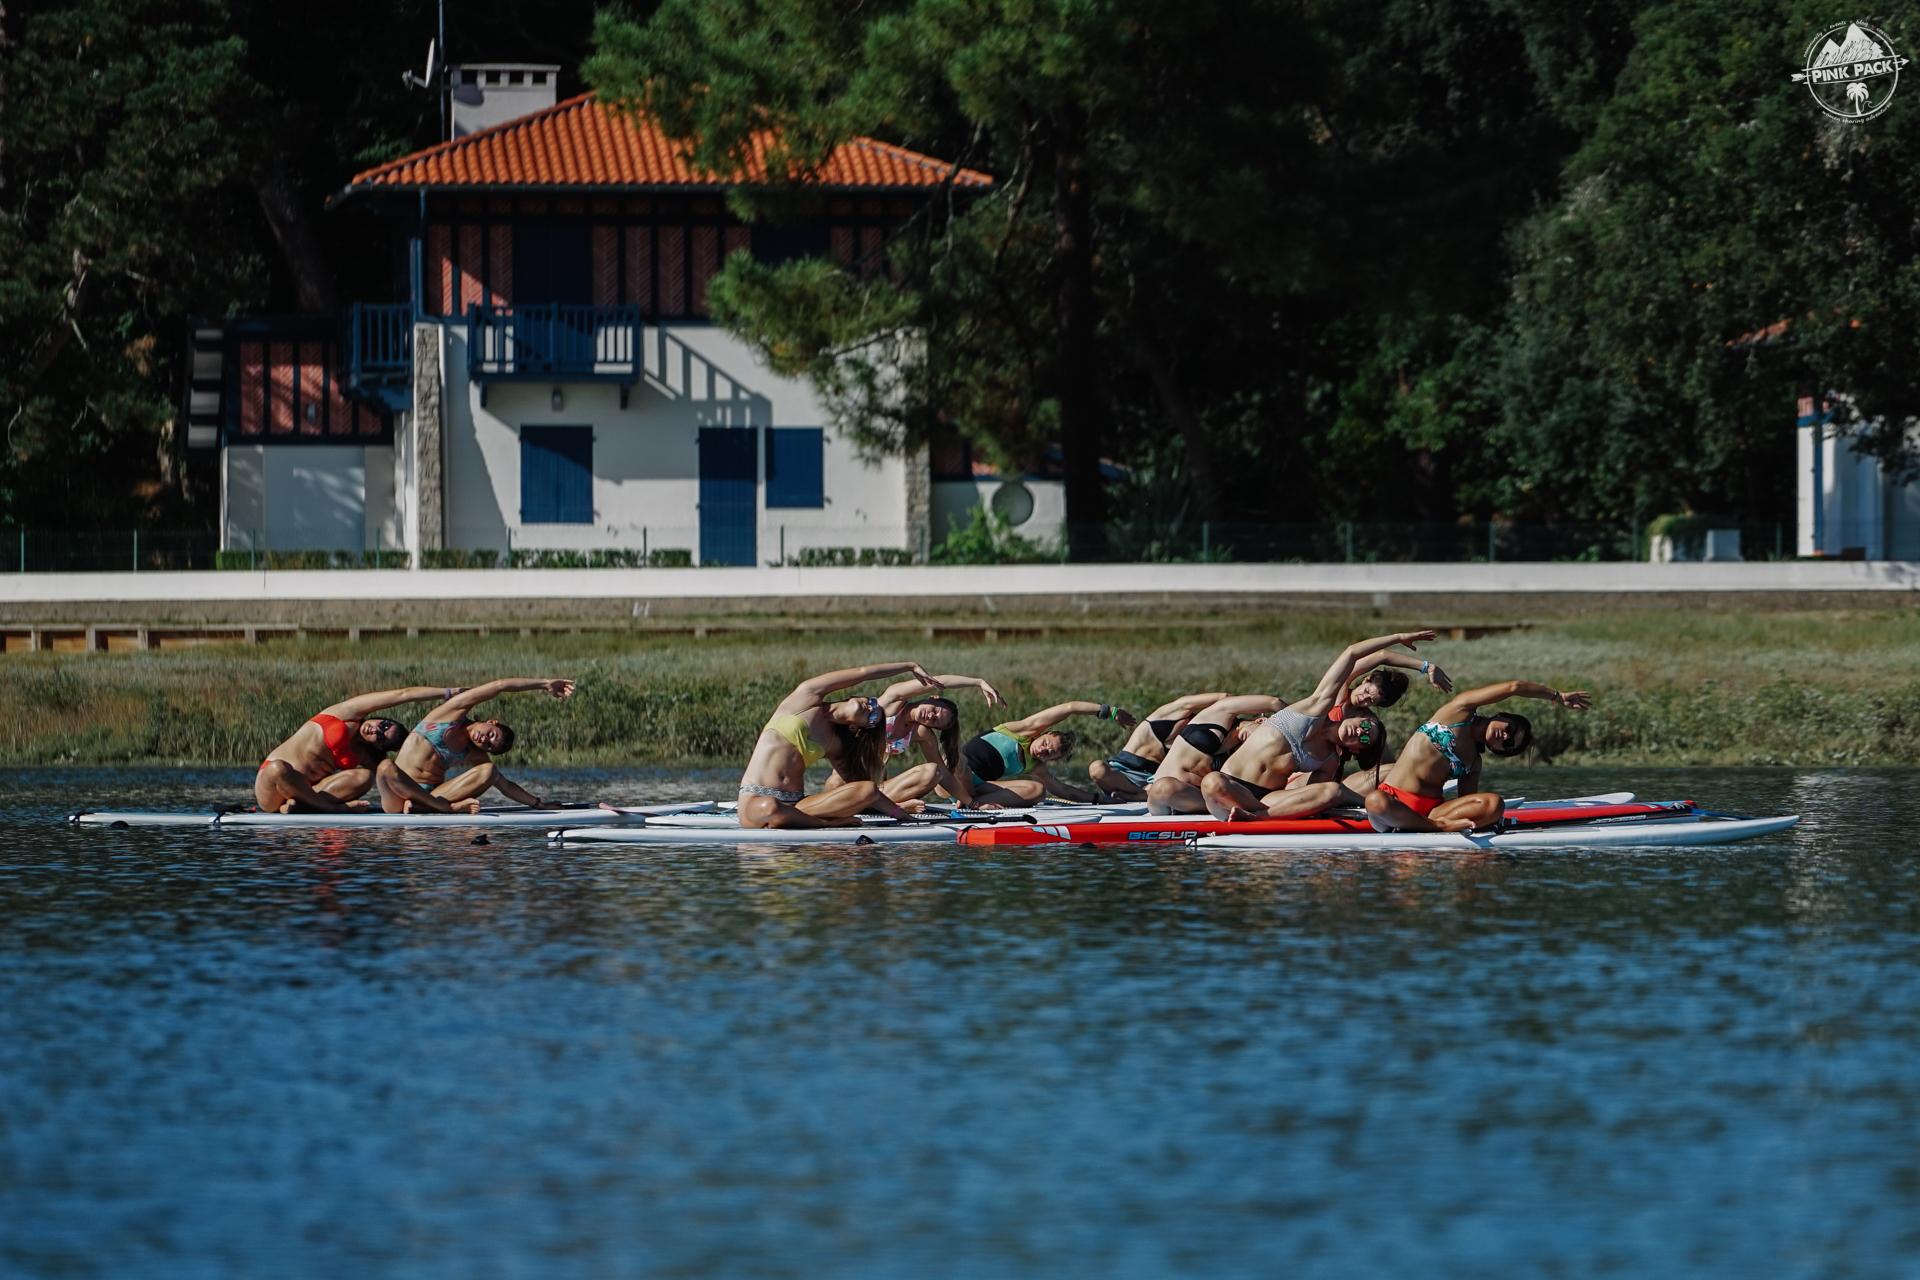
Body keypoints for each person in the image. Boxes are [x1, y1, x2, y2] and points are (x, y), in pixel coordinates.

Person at [1202, 631, 1439, 822]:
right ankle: (1261, 817)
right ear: (1358, 717)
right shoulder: (1320, 705)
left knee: (1333, 791)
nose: (1361, 732)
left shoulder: (1330, 762)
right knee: (1213, 781)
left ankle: (1258, 818)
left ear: (1356, 750)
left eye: (1365, 739)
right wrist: (1402, 641)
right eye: (1365, 725)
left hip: (1269, 799)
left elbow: (1312, 799)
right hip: (1230, 785)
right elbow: (1352, 652)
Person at [1364, 680, 1592, 833]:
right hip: (1392, 804)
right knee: (1374, 800)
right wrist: (1556, 695)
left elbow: (1466, 803)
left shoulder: (1473, 762)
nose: (1505, 736)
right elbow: (1514, 686)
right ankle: (1437, 828)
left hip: (1433, 811)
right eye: (1510, 729)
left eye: (1509, 744)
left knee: (1494, 804)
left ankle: (1430, 825)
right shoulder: (1458, 711)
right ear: (1501, 715)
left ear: (1500, 751)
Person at [738, 661, 941, 828]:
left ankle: (806, 820)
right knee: (769, 808)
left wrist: (899, 812)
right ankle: (825, 823)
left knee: (867, 789)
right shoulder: (805, 698)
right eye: (871, 702)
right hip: (756, 798)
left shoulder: (836, 744)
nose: (870, 707)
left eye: (872, 716)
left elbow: (865, 791)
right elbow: (862, 672)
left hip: (799, 804)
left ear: (855, 728)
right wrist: (909, 666)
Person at [376, 678, 576, 814]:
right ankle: (445, 808)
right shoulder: (451, 713)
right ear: (492, 722)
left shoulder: (474, 752)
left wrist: (539, 804)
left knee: (488, 770)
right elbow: (500, 685)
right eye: (491, 734)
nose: (484, 740)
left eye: (488, 745)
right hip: (397, 796)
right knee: (385, 766)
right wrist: (544, 683)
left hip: (432, 795)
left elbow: (505, 786)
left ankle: (429, 806)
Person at [254, 686, 457, 814]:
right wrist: (449, 693)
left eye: (381, 738)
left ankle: (303, 806)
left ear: (378, 746)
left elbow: (400, 780)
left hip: (308, 794)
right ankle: (330, 809)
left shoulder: (365, 755)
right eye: (384, 725)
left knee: (364, 778)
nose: (376, 730)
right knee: (278, 768)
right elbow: (402, 695)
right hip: (272, 786)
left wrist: (431, 802)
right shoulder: (347, 713)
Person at [820, 673, 1008, 810]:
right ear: (933, 698)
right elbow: (938, 681)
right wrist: (978, 682)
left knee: (932, 772)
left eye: (934, 721)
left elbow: (944, 772)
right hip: (846, 780)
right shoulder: (893, 700)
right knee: (837, 779)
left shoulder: (920, 733)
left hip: (874, 788)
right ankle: (879, 806)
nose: (930, 716)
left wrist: (973, 804)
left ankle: (877, 807)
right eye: (934, 710)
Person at [958, 701, 1139, 807]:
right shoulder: (1021, 730)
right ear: (1044, 733)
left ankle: (974, 804)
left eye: (1047, 754)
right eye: (1044, 743)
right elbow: (1069, 708)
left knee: (1037, 791)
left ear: (1051, 760)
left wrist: (1106, 801)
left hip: (975, 789)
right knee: (957, 763)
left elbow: (1064, 791)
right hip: (955, 775)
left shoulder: (1034, 766)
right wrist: (1110, 711)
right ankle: (969, 801)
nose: (1041, 750)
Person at [1144, 695, 1285, 814]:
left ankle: (1263, 814)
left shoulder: (1246, 752)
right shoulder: (1221, 712)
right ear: (1262, 721)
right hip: (1164, 799)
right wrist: (1293, 723)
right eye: (1261, 736)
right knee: (1164, 787)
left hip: (1201, 801)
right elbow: (1274, 702)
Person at [1088, 692, 1227, 800]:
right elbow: (1224, 697)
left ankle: (1146, 794)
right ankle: (1141, 794)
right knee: (1097, 769)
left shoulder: (1208, 732)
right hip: (1122, 775)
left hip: (1157, 781)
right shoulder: (1168, 714)